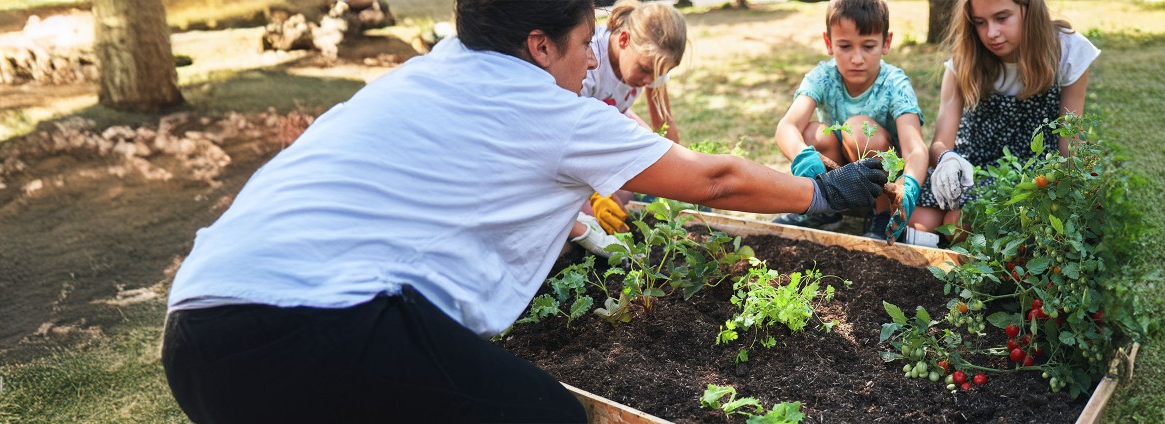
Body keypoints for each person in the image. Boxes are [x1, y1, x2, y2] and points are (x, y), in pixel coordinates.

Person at [158, 1, 887, 422]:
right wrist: (824, 194)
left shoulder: (423, 74)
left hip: (197, 329)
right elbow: (717, 181)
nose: (585, 67)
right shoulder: (542, 105)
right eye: (579, 48)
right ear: (539, 46)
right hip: (299, 329)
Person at [907, 0, 1099, 246]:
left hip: (1024, 173)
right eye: (980, 22)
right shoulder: (968, 54)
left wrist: (1075, 196)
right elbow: (941, 141)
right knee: (919, 221)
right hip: (968, 166)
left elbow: (1070, 143)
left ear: (1029, 8)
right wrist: (946, 158)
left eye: (1002, 18)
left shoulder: (1067, 50)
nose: (991, 33)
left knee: (957, 224)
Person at [772, 0, 931, 244]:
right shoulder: (823, 77)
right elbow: (787, 127)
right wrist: (802, 153)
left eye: (868, 46)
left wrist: (908, 185)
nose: (857, 58)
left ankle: (881, 214)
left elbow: (915, 148)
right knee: (812, 133)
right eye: (845, 46)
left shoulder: (894, 84)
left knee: (860, 130)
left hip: (883, 183)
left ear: (886, 42)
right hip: (839, 173)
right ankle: (825, 207)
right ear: (828, 43)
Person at [569, 0, 690, 257]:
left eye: (657, 74)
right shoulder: (590, 62)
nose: (649, 80)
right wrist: (593, 195)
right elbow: (570, 139)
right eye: (645, 70)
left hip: (607, 128)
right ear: (623, 39)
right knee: (598, 218)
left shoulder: (651, 62)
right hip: (575, 142)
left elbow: (664, 125)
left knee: (625, 193)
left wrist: (683, 177)